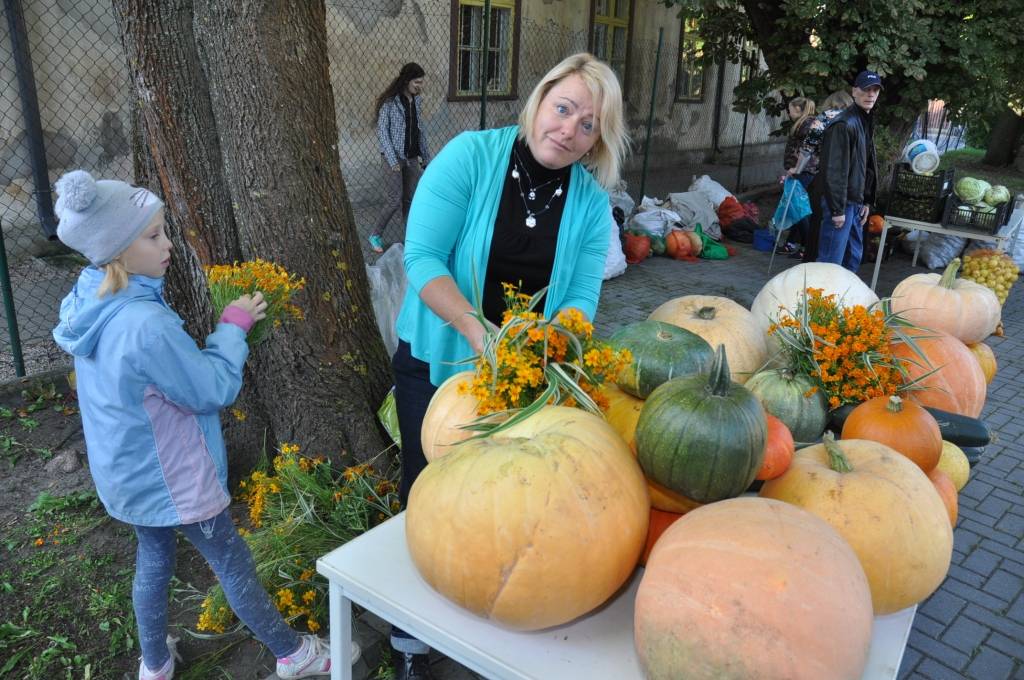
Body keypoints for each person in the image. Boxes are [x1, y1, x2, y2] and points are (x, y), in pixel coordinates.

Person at [50, 170, 359, 680]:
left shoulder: (90, 302)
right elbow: (210, 389)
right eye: (153, 236)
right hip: (174, 477)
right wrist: (232, 329)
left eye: (163, 230)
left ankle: (154, 664)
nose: (167, 244)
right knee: (231, 562)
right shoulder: (145, 325)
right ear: (119, 251)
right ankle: (293, 654)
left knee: (153, 560)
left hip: (127, 474)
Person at [388, 52, 627, 680]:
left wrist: (546, 343)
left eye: (588, 125)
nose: (570, 130)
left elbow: (580, 300)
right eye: (564, 108)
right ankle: (410, 642)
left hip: (521, 377)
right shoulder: (472, 156)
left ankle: (484, 604)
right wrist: (475, 330)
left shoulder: (590, 201)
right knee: (428, 493)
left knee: (503, 505)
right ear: (540, 99)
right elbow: (422, 258)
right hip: (440, 364)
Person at [816, 71, 882, 271]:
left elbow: (866, 165)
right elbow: (834, 170)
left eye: (875, 90)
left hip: (856, 203)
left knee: (852, 259)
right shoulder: (844, 124)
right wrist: (837, 210)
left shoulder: (864, 120)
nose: (870, 94)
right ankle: (819, 302)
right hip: (841, 205)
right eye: (865, 89)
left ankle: (843, 301)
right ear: (854, 91)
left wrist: (867, 200)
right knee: (830, 263)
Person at [368, 62, 431, 253]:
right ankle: (375, 235)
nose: (420, 86)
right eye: (417, 82)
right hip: (393, 158)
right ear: (406, 80)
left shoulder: (417, 101)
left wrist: (426, 156)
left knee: (411, 199)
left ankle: (410, 239)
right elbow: (383, 133)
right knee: (394, 200)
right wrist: (392, 160)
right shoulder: (390, 102)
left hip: (412, 158)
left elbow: (420, 131)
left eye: (421, 82)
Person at [799, 89, 854, 263]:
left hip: (823, 176)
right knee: (841, 233)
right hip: (849, 180)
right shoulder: (854, 120)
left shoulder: (823, 118)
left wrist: (796, 169)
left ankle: (814, 262)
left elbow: (807, 148)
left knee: (819, 222)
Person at [776, 96, 817, 258]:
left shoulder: (806, 125)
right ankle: (792, 243)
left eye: (791, 110)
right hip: (800, 171)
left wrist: (795, 169)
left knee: (799, 210)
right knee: (795, 209)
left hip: (803, 172)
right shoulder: (805, 123)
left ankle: (807, 247)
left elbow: (805, 152)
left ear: (799, 110)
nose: (789, 112)